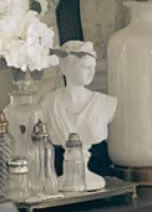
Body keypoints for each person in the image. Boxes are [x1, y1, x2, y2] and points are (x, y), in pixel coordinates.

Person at [41, 40, 116, 191]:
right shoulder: (48, 103)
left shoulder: (105, 103)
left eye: (92, 67)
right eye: (85, 67)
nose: (91, 72)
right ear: (67, 68)